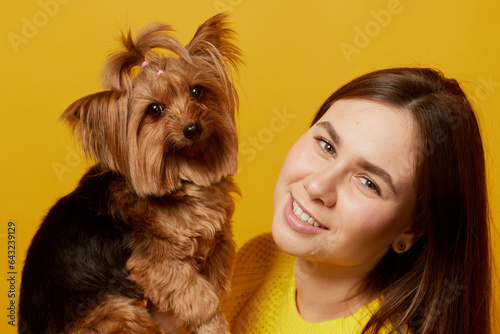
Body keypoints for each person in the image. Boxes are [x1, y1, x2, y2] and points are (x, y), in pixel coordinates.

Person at [155, 67, 492, 333]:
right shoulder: (260, 260)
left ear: (412, 230)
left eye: (368, 183)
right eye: (327, 146)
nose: (317, 185)